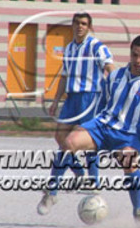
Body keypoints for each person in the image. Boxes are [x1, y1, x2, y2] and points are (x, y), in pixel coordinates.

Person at [38, 35, 140, 220]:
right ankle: (51, 194)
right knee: (68, 142)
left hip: (129, 135)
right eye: (134, 55)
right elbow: (102, 102)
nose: (137, 60)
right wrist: (89, 123)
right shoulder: (115, 76)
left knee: (128, 163)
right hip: (103, 126)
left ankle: (139, 210)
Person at [37, 12, 114, 214]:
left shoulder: (97, 46)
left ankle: (54, 191)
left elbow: (110, 69)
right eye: (77, 23)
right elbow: (64, 76)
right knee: (61, 138)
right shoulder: (69, 48)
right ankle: (82, 176)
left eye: (84, 23)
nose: (79, 26)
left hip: (91, 99)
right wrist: (55, 100)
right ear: (71, 25)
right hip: (72, 99)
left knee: (85, 143)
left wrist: (118, 91)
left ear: (89, 27)